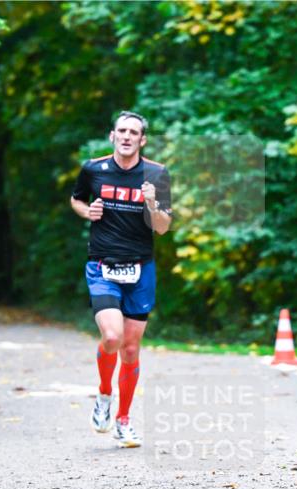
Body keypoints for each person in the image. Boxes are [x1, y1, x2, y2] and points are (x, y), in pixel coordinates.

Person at [70, 111, 172, 446]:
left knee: (130, 348)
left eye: (134, 132)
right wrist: (88, 212)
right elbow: (77, 198)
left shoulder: (156, 174)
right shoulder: (93, 168)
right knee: (112, 337)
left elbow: (162, 227)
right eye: (122, 131)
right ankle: (103, 395)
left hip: (141, 268)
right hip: (102, 266)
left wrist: (153, 204)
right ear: (112, 135)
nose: (127, 136)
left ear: (142, 140)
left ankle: (124, 420)